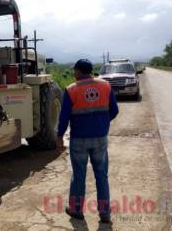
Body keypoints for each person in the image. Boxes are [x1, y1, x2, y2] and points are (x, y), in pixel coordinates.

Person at [57, 59, 119, 223]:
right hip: (100, 138)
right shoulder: (105, 86)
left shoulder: (71, 90)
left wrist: (59, 137)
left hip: (79, 140)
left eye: (74, 71)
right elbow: (114, 110)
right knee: (102, 175)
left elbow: (63, 118)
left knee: (79, 175)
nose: (73, 73)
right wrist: (101, 123)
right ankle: (104, 213)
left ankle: (76, 210)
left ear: (78, 71)